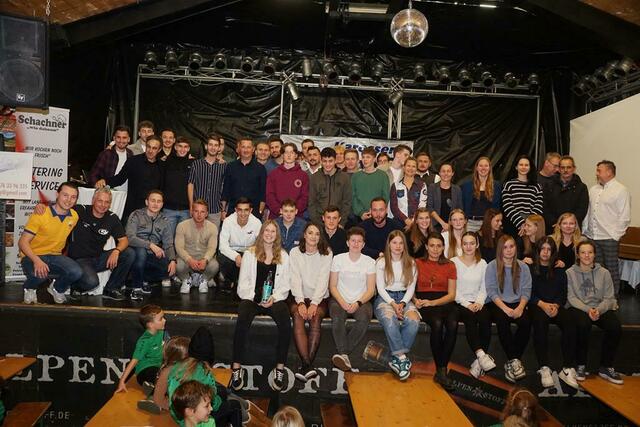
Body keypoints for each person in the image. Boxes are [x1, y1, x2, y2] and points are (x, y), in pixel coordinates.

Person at [230, 220, 292, 392]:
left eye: (273, 231)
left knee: (285, 323)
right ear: (261, 233)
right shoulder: (250, 254)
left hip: (274, 299)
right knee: (242, 320)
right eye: (267, 230)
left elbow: (286, 286)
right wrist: (255, 298)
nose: (269, 234)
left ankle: (280, 369)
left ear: (277, 235)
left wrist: (274, 297)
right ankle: (236, 367)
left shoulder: (284, 256)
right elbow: (242, 285)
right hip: (252, 298)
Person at [566, 240, 623, 384]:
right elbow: (571, 298)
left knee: (615, 326)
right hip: (579, 307)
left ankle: (606, 366)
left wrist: (598, 310)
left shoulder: (604, 273)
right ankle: (580, 365)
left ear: (594, 255)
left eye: (590, 252)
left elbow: (609, 297)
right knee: (583, 324)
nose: (586, 256)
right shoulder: (570, 273)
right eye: (583, 252)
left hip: (599, 307)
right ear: (578, 255)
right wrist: (588, 310)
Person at [18, 182, 82, 304]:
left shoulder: (74, 216)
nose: (69, 200)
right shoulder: (41, 214)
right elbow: (22, 242)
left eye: (73, 197)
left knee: (76, 272)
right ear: (57, 195)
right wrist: (37, 261)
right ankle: (29, 287)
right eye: (65, 195)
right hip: (32, 255)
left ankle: (57, 288)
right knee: (40, 275)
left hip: (55, 256)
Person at [67, 187, 134, 301]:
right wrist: (42, 206)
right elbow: (60, 207)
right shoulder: (80, 210)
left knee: (129, 253)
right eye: (100, 201)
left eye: (106, 202)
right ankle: (75, 286)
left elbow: (124, 240)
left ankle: (111, 289)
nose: (103, 205)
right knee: (92, 282)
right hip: (80, 260)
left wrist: (116, 251)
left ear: (110, 204)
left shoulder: (112, 218)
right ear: (93, 200)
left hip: (98, 258)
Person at [529, 237, 578, 389]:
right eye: (542, 249)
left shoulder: (559, 269)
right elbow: (527, 292)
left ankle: (567, 368)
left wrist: (556, 305)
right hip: (537, 304)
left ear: (553, 252)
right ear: (538, 251)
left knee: (570, 321)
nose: (545, 252)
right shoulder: (530, 268)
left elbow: (563, 294)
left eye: (549, 249)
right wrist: (543, 305)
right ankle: (544, 367)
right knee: (540, 321)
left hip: (555, 305)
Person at [169, 327, 243, 426]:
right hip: (195, 419)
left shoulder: (176, 367)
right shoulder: (204, 372)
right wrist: (219, 401)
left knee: (221, 391)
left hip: (178, 415)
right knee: (234, 405)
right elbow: (214, 405)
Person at [485, 235, 532, 383]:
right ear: (500, 249)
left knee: (526, 322)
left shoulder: (523, 267)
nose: (509, 250)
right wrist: (505, 308)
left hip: (518, 303)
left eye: (512, 246)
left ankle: (512, 362)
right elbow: (491, 291)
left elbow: (526, 291)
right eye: (505, 247)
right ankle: (515, 360)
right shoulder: (492, 266)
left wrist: (520, 307)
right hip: (499, 303)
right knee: (502, 321)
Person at [414, 232, 458, 389]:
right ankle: (442, 371)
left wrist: (434, 303)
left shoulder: (450, 265)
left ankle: (441, 370)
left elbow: (452, 295)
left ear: (443, 247)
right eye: (432, 245)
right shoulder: (417, 263)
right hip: (424, 301)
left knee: (453, 324)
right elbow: (409, 287)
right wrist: (415, 300)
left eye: (439, 246)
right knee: (437, 323)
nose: (435, 249)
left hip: (444, 300)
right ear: (426, 247)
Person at [289, 223, 332, 382]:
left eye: (317, 234)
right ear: (304, 235)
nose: (313, 236)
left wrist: (314, 303)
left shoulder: (327, 253)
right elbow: (295, 278)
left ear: (320, 237)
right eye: (310, 233)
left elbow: (323, 280)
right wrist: (301, 302)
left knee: (316, 318)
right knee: (297, 316)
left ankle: (305, 365)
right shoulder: (294, 252)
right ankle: (308, 365)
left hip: (319, 297)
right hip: (298, 295)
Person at [329, 227, 376, 371]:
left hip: (361, 300)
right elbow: (332, 286)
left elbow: (371, 290)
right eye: (353, 241)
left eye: (359, 241)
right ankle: (344, 354)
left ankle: (343, 354)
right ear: (347, 243)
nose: (356, 244)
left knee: (364, 318)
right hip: (339, 299)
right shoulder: (338, 259)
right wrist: (342, 302)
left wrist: (358, 303)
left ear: (363, 244)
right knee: (337, 317)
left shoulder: (369, 262)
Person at [374, 231, 419, 380]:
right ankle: (402, 358)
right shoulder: (381, 262)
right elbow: (380, 288)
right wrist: (393, 304)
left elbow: (411, 288)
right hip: (385, 298)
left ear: (404, 245)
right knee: (390, 320)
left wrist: (403, 303)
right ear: (389, 244)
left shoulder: (411, 263)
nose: (398, 246)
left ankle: (395, 359)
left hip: (404, 297)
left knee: (414, 321)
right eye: (394, 243)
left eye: (401, 243)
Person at [582, 160, 631, 295]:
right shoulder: (593, 189)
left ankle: (612, 298)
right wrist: (585, 231)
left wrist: (615, 236)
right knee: (595, 269)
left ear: (609, 172)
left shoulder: (621, 190)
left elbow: (624, 216)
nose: (596, 173)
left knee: (611, 270)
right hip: (592, 236)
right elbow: (588, 212)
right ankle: (597, 296)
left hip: (609, 237)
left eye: (599, 170)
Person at [453, 232, 496, 379]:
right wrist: (466, 304)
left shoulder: (483, 263)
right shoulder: (454, 262)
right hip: (459, 302)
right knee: (470, 317)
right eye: (465, 243)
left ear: (477, 244)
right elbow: (453, 289)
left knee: (485, 318)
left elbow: (484, 286)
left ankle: (479, 363)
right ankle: (481, 354)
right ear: (461, 245)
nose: (468, 246)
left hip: (477, 301)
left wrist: (479, 302)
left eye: (472, 243)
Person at [98, 135, 164, 221]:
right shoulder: (133, 161)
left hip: (152, 212)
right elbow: (120, 179)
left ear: (159, 149)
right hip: (133, 210)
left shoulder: (162, 166)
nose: (150, 151)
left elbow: (162, 189)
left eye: (154, 148)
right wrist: (105, 181)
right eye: (149, 147)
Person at [126, 190, 176, 301]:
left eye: (159, 201)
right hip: (135, 251)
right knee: (141, 252)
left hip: (152, 254)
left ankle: (143, 279)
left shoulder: (165, 220)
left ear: (162, 204)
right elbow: (130, 238)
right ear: (146, 202)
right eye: (153, 200)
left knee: (168, 269)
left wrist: (173, 260)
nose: (155, 204)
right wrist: (150, 245)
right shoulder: (136, 215)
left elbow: (168, 244)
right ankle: (136, 288)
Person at [116, 305, 167, 393]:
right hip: (145, 370)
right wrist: (121, 381)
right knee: (157, 376)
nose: (164, 320)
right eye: (161, 319)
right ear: (151, 324)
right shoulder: (144, 341)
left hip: (159, 367)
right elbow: (134, 361)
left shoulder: (161, 332)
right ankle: (152, 390)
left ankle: (153, 387)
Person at [217, 198, 262, 293]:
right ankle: (230, 279)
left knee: (260, 257)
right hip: (232, 252)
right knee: (222, 256)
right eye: (240, 210)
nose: (243, 213)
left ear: (251, 210)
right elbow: (222, 246)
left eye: (246, 210)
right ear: (236, 210)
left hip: (249, 252)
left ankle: (244, 282)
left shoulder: (257, 223)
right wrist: (236, 256)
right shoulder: (228, 221)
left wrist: (248, 255)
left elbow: (260, 244)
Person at [175, 199, 219, 294]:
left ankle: (204, 279)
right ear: (192, 212)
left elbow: (212, 248)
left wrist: (205, 260)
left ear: (206, 214)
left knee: (214, 265)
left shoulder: (212, 227)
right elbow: (179, 247)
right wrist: (189, 259)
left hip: (203, 260)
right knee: (177, 265)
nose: (199, 215)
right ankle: (186, 280)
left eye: (202, 212)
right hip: (187, 260)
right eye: (196, 211)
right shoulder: (182, 226)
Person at [188, 134, 227, 229]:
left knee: (213, 237)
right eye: (210, 144)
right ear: (206, 146)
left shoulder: (223, 166)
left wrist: (223, 209)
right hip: (198, 210)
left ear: (219, 148)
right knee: (196, 236)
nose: (213, 148)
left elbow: (225, 188)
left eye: (216, 145)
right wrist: (191, 206)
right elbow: (191, 185)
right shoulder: (196, 164)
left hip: (215, 210)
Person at [222, 138, 267, 218]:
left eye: (248, 147)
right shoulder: (231, 166)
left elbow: (263, 194)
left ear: (253, 149)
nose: (246, 150)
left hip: (254, 212)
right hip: (233, 211)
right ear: (239, 149)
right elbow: (226, 190)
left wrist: (260, 212)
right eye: (243, 147)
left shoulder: (260, 168)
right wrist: (223, 210)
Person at [543, 156, 588, 234]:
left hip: (573, 229)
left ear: (574, 168)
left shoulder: (581, 187)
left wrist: (570, 224)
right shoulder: (549, 185)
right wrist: (555, 223)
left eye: (568, 167)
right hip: (552, 228)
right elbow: (545, 206)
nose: (565, 170)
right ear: (559, 169)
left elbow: (582, 209)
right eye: (562, 167)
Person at [308, 147, 352, 228]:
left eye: (330, 161)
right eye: (325, 161)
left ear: (335, 160)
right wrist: (317, 223)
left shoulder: (344, 178)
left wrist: (342, 222)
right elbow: (311, 202)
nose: (327, 164)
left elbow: (347, 202)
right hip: (319, 222)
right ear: (321, 161)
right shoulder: (314, 178)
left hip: (338, 222)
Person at [501, 154, 543, 238]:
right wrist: (521, 223)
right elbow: (507, 206)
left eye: (526, 165)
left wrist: (528, 224)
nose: (523, 167)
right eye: (521, 165)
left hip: (532, 226)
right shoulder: (508, 185)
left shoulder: (537, 186)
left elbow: (538, 207)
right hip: (512, 223)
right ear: (516, 167)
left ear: (530, 167)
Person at [266, 143, 309, 219]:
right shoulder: (273, 174)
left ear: (296, 155)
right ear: (282, 155)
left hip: (297, 216)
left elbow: (304, 197)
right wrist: (279, 211)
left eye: (291, 152)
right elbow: (270, 195)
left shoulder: (303, 175)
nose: (289, 155)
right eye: (286, 152)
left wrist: (293, 211)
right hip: (277, 216)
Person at [162, 136, 193, 237]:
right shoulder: (166, 162)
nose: (182, 149)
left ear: (188, 148)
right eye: (180, 146)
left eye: (185, 147)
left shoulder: (193, 163)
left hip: (186, 210)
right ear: (175, 147)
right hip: (168, 209)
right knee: (168, 239)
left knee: (183, 240)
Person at [461, 157, 502, 232]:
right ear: (476, 168)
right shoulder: (467, 186)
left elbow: (497, 207)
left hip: (489, 224)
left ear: (489, 168)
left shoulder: (496, 186)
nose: (483, 168)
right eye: (481, 166)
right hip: (470, 224)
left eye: (486, 166)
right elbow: (462, 205)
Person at [351, 147, 390, 222]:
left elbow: (385, 196)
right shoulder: (355, 176)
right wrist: (361, 212)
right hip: (360, 217)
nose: (365, 160)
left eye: (368, 157)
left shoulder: (383, 176)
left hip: (378, 216)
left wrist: (375, 211)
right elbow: (353, 196)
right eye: (363, 157)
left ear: (374, 159)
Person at [390, 157, 428, 228]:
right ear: (404, 167)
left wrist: (413, 222)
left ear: (416, 169)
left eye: (413, 166)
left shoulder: (422, 185)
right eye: (408, 166)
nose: (411, 168)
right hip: (399, 222)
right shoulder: (395, 185)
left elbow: (422, 205)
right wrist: (406, 220)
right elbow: (394, 207)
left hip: (417, 222)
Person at [427, 162, 463, 232]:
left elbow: (459, 208)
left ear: (452, 173)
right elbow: (430, 207)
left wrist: (450, 224)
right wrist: (443, 223)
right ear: (439, 173)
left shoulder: (457, 189)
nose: (446, 173)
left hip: (452, 225)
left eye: (448, 171)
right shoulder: (432, 187)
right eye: (443, 171)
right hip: (435, 225)